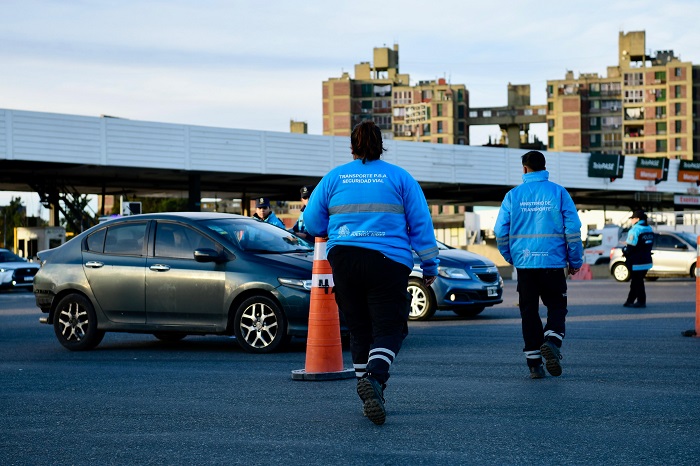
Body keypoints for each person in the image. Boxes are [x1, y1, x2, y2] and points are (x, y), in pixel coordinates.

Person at [304, 120, 439, 426]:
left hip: (345, 259)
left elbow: (312, 223)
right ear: (382, 145)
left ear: (352, 146)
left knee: (359, 329)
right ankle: (375, 380)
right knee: (391, 327)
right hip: (388, 261)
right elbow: (420, 225)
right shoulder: (400, 177)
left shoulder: (333, 178)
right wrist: (430, 265)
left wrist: (341, 229)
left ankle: (368, 390)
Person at [494, 150, 583, 380]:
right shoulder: (559, 193)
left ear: (524, 169)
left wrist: (511, 256)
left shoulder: (513, 196)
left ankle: (534, 364)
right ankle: (552, 341)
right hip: (552, 263)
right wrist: (575, 260)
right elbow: (572, 230)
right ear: (544, 168)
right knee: (556, 306)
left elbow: (500, 231)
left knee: (529, 312)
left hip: (525, 264)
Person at [622, 209, 654, 308]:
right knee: (637, 281)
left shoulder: (635, 230)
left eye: (632, 218)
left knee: (637, 282)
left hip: (636, 262)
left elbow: (630, 247)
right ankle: (629, 301)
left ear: (637, 219)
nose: (631, 220)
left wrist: (624, 251)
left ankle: (641, 301)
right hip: (647, 260)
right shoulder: (649, 229)